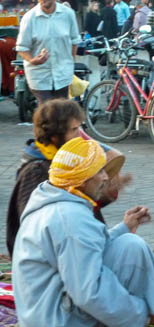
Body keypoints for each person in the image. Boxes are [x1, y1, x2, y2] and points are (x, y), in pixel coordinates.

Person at [12, 137, 154, 327]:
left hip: (41, 316)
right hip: (55, 325)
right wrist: (142, 313)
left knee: (128, 243)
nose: (106, 178)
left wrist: (123, 227)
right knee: (131, 247)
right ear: (81, 181)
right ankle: (133, 325)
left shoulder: (53, 197)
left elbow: (88, 249)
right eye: (99, 172)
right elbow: (90, 292)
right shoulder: (70, 219)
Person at [6, 99, 128, 257]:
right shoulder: (35, 171)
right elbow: (37, 228)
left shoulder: (65, 160)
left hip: (75, 246)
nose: (81, 137)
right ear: (54, 135)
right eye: (74, 130)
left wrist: (105, 193)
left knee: (131, 246)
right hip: (53, 260)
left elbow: (77, 202)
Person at [15, 0, 80, 104]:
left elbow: (74, 41)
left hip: (62, 75)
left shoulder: (68, 14)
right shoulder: (29, 18)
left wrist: (69, 61)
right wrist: (33, 60)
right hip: (40, 76)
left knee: (62, 114)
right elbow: (22, 48)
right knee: (48, 114)